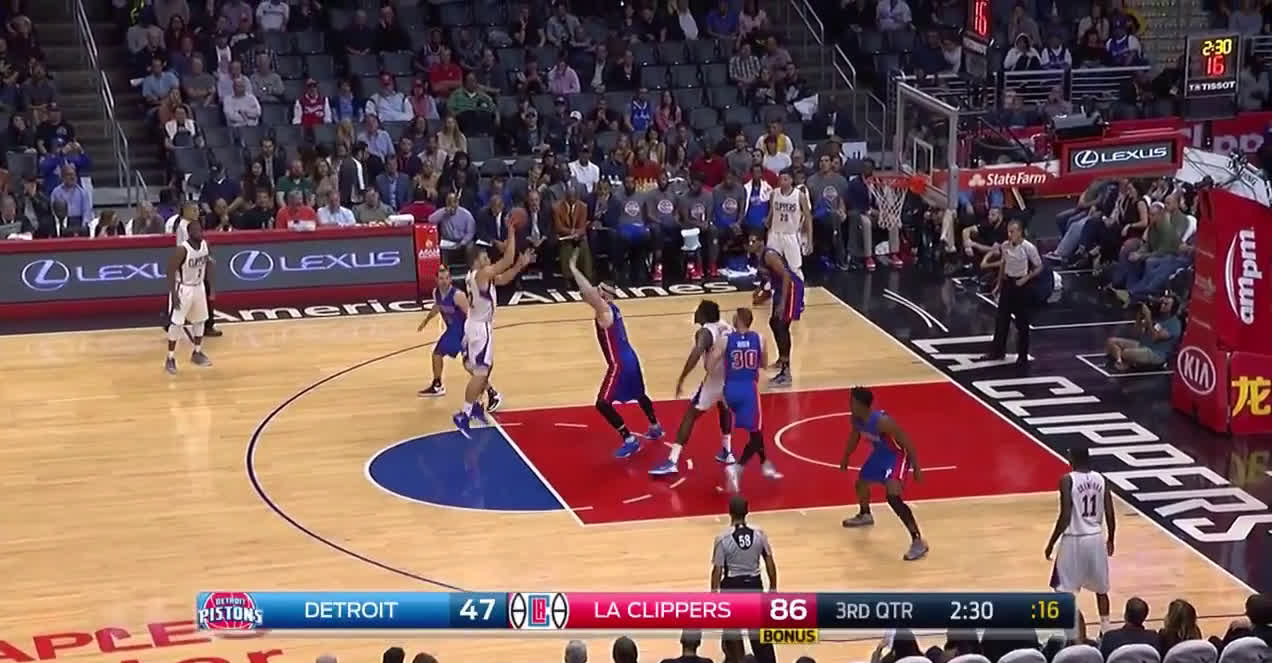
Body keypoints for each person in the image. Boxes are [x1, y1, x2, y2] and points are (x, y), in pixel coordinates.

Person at [570, 252, 664, 459]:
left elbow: (587, 292)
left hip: (619, 364)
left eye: (599, 289)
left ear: (604, 295)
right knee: (640, 394)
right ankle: (655, 426)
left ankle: (629, 439)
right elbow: (588, 294)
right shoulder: (612, 308)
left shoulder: (604, 310)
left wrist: (573, 267)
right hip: (631, 358)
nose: (595, 291)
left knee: (602, 403)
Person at [452, 219, 534, 437]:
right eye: (484, 257)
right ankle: (464, 413)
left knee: (484, 368)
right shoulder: (481, 274)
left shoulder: (477, 277)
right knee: (480, 373)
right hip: (480, 328)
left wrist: (519, 266)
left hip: (473, 324)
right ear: (475, 261)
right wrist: (511, 232)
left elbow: (504, 278)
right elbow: (506, 260)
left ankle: (476, 406)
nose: (488, 259)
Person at [840, 386, 929, 561]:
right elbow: (854, 437)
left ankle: (918, 540)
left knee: (893, 497)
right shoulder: (856, 419)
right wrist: (846, 456)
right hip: (880, 454)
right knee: (861, 483)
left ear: (861, 405)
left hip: (896, 456)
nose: (849, 405)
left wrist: (917, 468)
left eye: (852, 402)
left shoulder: (883, 422)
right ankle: (865, 514)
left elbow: (906, 442)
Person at [650, 300, 736, 476]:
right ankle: (727, 452)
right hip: (731, 379)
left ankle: (672, 460)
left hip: (714, 381)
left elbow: (696, 353)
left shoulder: (705, 332)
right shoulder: (726, 326)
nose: (695, 313)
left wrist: (682, 377)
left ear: (703, 315)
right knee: (724, 408)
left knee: (690, 414)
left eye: (698, 310)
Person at [1045, 445, 1116, 635]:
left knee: (1062, 589)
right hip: (1095, 538)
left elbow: (1065, 515)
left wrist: (1051, 542)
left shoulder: (1067, 480)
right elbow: (1110, 512)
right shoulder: (1101, 479)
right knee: (1101, 589)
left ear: (1073, 459)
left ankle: (1070, 630)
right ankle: (1106, 629)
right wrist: (1111, 538)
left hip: (1074, 539)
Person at [416, 265, 502, 410]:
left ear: (450, 279)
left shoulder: (458, 295)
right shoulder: (436, 293)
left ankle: (439, 385)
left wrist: (471, 335)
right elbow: (437, 306)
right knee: (467, 365)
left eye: (447, 278)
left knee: (448, 357)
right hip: (453, 331)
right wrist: (426, 320)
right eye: (441, 278)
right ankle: (491, 392)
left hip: (462, 331)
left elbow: (471, 314)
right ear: (436, 279)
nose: (444, 281)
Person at [721, 307, 782, 493]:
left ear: (738, 320)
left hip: (730, 390)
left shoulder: (726, 339)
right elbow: (764, 365)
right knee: (756, 433)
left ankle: (764, 463)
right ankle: (738, 467)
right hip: (748, 389)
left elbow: (710, 363)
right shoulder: (759, 339)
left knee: (756, 432)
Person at [711, 495, 777, 663]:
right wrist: (773, 588)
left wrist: (713, 594)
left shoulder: (722, 538)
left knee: (732, 634)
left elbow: (717, 570)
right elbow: (769, 561)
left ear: (730, 512)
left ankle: (736, 660)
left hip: (732, 588)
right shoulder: (759, 534)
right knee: (759, 634)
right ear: (747, 511)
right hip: (754, 585)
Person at [747, 234, 804, 386]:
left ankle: (786, 372)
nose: (751, 244)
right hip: (780, 288)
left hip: (791, 287)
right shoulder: (757, 257)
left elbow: (786, 276)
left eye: (754, 241)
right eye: (749, 242)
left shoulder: (769, 255)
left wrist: (783, 302)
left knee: (781, 325)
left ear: (761, 241)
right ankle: (782, 360)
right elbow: (767, 277)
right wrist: (760, 290)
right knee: (774, 323)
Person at [982, 220, 1041, 365]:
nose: (1009, 235)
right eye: (1008, 232)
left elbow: (1039, 267)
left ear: (1020, 232)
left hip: (1021, 285)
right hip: (1008, 284)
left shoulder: (1028, 248)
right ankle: (997, 351)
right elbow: (1003, 264)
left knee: (1022, 322)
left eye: (1012, 232)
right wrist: (999, 284)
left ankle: (1022, 355)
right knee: (1001, 320)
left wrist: (1026, 278)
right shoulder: (1005, 245)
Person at [164, 219, 214, 374]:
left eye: (200, 230)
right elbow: (170, 271)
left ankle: (197, 352)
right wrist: (174, 295)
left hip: (199, 287)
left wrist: (211, 288)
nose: (199, 232)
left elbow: (209, 265)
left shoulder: (206, 245)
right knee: (177, 324)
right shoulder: (182, 249)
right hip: (184, 288)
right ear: (189, 232)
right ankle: (170, 358)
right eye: (195, 230)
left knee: (200, 321)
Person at [1105, 294, 1181, 371]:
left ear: (1172, 308)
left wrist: (1148, 317)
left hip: (1156, 353)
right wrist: (1140, 317)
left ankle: (1124, 361)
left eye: (1166, 304)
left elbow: (1155, 337)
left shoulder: (1174, 324)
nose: (1162, 305)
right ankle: (1120, 361)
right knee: (1111, 342)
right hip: (1143, 345)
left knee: (1126, 352)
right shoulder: (1157, 316)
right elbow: (1135, 333)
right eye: (1162, 302)